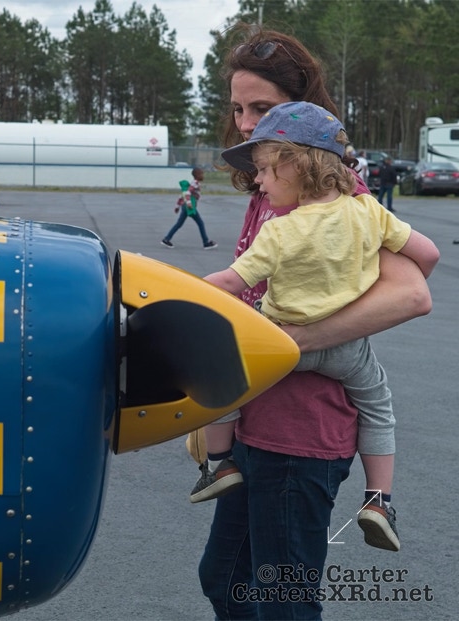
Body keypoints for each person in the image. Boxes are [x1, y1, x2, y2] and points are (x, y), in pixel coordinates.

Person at [196, 24, 435, 620]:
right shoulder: (272, 191)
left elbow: (411, 293)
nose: (246, 124)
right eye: (238, 109)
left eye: (262, 109)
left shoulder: (342, 196)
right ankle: (376, 494)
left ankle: (379, 498)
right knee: (226, 580)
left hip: (301, 432)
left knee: (282, 601)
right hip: (259, 419)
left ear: (300, 115)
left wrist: (287, 342)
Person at [161, 166, 217, 249]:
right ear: (197, 175)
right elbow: (187, 193)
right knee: (200, 223)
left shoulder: (194, 183)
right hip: (189, 207)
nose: (203, 176)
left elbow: (183, 193)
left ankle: (166, 239)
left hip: (185, 206)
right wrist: (189, 203)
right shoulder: (195, 183)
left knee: (179, 224)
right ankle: (206, 242)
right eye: (201, 174)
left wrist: (177, 206)